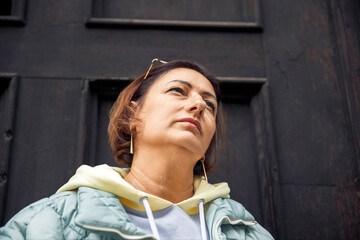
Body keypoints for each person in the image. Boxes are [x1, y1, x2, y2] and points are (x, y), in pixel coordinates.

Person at [0, 59, 274, 239]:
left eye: (210, 104)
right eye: (178, 91)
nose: (199, 105)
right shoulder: (53, 218)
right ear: (132, 116)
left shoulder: (245, 231)